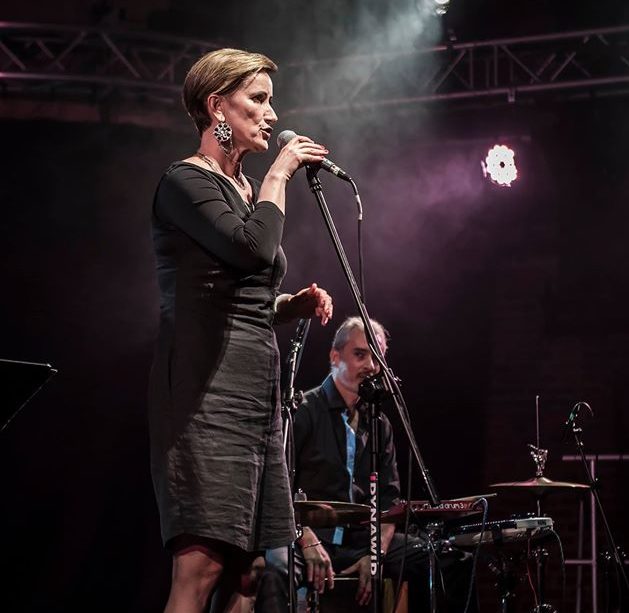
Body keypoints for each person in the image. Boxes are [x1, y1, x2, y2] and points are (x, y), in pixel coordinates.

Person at [148, 48, 334, 613]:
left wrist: (290, 305)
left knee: (251, 571)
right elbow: (252, 250)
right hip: (205, 395)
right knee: (202, 564)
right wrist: (280, 172)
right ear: (217, 107)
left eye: (271, 100)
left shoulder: (247, 190)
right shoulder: (185, 182)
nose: (272, 114)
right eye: (258, 99)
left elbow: (239, 293)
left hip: (256, 398)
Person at [256, 316, 475, 612]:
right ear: (335, 357)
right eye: (360, 354)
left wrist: (375, 554)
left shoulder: (379, 423)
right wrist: (306, 540)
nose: (371, 366)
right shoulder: (303, 412)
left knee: (451, 561)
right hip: (308, 538)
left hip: (361, 542)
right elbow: (276, 489)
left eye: (377, 357)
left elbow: (389, 502)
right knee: (275, 570)